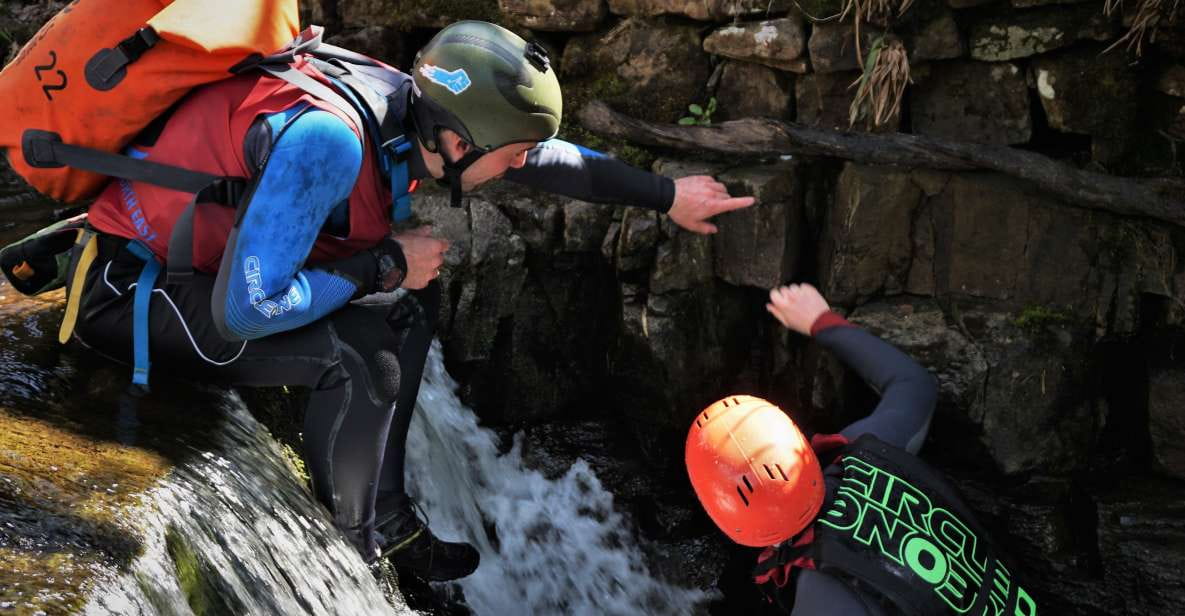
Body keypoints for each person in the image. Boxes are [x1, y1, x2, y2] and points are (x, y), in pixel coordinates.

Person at [68, 20, 754, 581]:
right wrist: (385, 263)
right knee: (361, 354)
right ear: (458, 143)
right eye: (509, 156)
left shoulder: (408, 106)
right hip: (127, 296)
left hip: (194, 275)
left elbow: (542, 157)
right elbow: (246, 311)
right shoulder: (330, 141)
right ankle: (355, 559)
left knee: (407, 311)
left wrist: (665, 196)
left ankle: (387, 520)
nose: (518, 168)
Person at [686, 284, 1040, 615]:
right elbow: (914, 386)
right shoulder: (866, 451)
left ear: (726, 519)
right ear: (798, 443)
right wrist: (821, 322)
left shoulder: (821, 598)